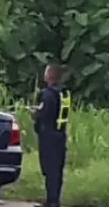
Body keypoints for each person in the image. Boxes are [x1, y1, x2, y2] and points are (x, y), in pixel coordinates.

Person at [31, 64, 71, 207]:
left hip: (48, 137)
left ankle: (51, 201)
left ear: (49, 76)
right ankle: (55, 199)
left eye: (46, 72)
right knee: (57, 170)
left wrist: (35, 115)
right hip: (60, 134)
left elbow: (43, 114)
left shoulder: (47, 94)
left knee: (49, 170)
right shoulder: (64, 93)